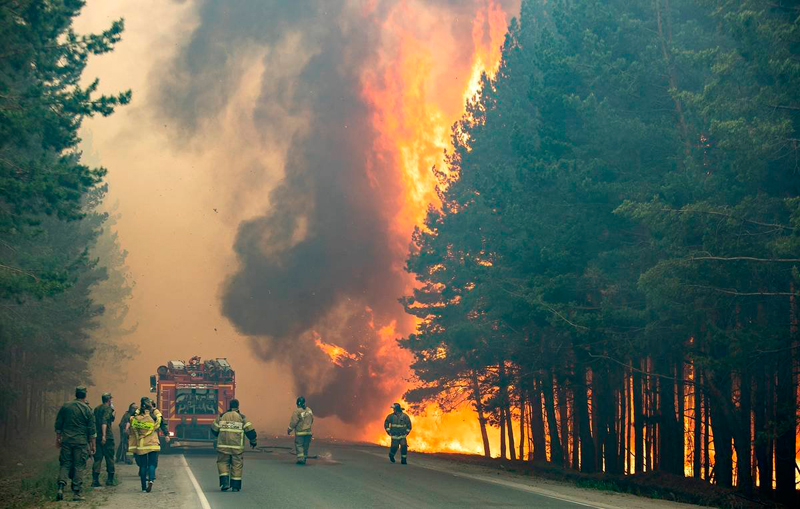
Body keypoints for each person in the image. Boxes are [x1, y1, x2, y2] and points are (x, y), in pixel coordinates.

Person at [54, 386, 96, 501]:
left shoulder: (66, 406)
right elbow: (92, 430)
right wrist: (93, 445)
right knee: (79, 466)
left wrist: (58, 439)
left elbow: (59, 424)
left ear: (76, 394)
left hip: (66, 440)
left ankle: (61, 487)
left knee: (65, 464)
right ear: (85, 395)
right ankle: (76, 493)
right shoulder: (87, 409)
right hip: (80, 442)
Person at [211, 399, 257, 492]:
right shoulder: (242, 417)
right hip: (237, 448)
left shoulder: (221, 416)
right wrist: (253, 441)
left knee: (223, 463)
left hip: (223, 447)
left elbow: (214, 430)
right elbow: (250, 431)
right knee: (237, 465)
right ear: (238, 406)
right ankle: (235, 486)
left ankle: (225, 483)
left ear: (229, 405)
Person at [129, 397, 162, 493]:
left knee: (143, 466)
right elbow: (159, 421)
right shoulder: (153, 418)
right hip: (153, 444)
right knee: (152, 464)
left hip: (142, 444)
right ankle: (151, 480)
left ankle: (143, 487)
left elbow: (133, 427)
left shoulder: (137, 418)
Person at [91, 392, 116, 486]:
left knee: (97, 459)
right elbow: (104, 421)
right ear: (108, 399)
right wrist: (104, 436)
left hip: (96, 436)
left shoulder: (97, 408)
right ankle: (110, 480)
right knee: (109, 458)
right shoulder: (108, 409)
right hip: (107, 437)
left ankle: (95, 480)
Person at [287, 396, 313, 465]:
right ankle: (304, 458)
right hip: (308, 432)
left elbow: (294, 422)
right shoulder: (309, 410)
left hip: (300, 433)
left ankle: (301, 459)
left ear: (298, 404)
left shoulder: (297, 411)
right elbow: (312, 420)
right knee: (306, 446)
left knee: (299, 445)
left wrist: (289, 429)